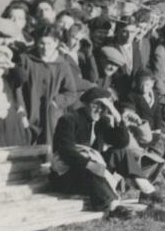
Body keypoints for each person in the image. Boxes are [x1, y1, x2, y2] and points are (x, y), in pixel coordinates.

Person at [50, 86, 144, 217]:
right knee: (90, 167)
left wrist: (117, 116)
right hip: (68, 175)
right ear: (86, 103)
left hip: (94, 172)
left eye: (103, 107)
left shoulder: (102, 122)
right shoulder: (69, 120)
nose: (99, 110)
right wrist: (90, 164)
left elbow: (122, 142)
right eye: (96, 105)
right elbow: (66, 151)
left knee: (122, 153)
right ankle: (113, 207)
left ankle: (146, 191)